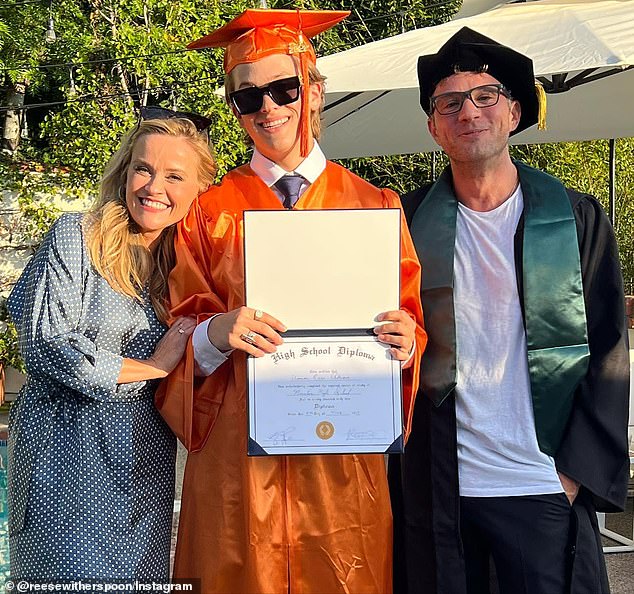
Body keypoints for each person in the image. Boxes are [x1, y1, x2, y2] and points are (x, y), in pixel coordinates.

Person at [155, 8, 426, 593]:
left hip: (338, 471)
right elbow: (177, 336)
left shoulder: (375, 206)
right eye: (248, 97)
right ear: (235, 109)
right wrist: (212, 333)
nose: (268, 108)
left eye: (284, 88)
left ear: (315, 88)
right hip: (238, 470)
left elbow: (411, 328)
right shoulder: (207, 209)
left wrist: (407, 344)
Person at [390, 27, 631, 594]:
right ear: (432, 125)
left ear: (515, 111)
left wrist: (571, 475)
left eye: (485, 97)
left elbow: (607, 350)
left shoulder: (573, 218)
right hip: (442, 486)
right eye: (448, 103)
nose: (467, 111)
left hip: (541, 482)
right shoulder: (402, 221)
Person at [7, 113, 216, 583]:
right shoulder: (76, 237)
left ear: (200, 189)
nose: (153, 186)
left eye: (175, 176)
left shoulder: (192, 269)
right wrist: (152, 366)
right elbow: (44, 342)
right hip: (63, 466)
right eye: (143, 169)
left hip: (143, 471)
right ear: (125, 172)